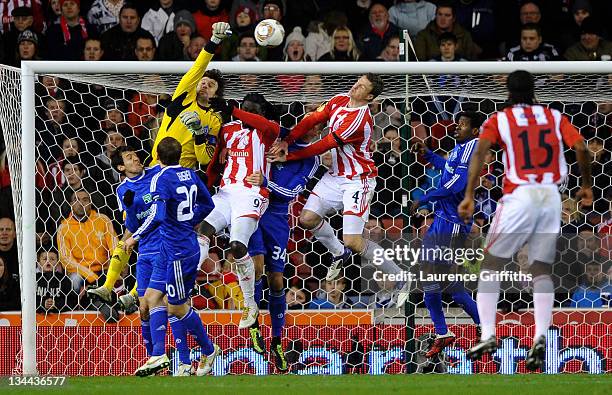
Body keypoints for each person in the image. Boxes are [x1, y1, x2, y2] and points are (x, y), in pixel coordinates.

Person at [459, 70, 593, 371]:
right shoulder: (553, 117)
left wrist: (469, 194)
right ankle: (541, 334)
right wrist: (586, 185)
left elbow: (480, 152)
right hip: (550, 197)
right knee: (541, 270)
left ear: (508, 89)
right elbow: (582, 147)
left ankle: (488, 333)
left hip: (519, 196)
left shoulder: (499, 119)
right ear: (534, 90)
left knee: (491, 265)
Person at [269, 73, 408, 304]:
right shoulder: (339, 100)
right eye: (357, 81)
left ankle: (400, 276)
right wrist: (288, 140)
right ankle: (337, 252)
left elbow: (323, 144)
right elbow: (312, 119)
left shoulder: (359, 120)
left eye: (362, 86)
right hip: (334, 177)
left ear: (370, 96)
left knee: (353, 241)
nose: (355, 86)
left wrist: (290, 155)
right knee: (307, 219)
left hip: (357, 179)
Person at [212, 98, 318, 371]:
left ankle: (278, 340)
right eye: (307, 119)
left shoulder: (311, 157)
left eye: (316, 123)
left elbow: (294, 193)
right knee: (255, 265)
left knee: (277, 280)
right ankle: (254, 322)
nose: (310, 125)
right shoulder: (276, 135)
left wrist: (267, 182)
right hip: (252, 205)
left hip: (277, 217)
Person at [125, 137, 219, 377]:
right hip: (170, 247)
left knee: (176, 308)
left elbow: (157, 216)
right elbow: (208, 204)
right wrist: (189, 220)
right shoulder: (190, 174)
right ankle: (158, 355)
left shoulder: (160, 179)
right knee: (151, 297)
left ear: (157, 155)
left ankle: (209, 350)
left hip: (179, 251)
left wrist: (134, 236)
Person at [197, 93, 282, 330]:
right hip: (226, 192)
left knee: (237, 247)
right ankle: (187, 276)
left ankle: (249, 303)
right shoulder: (228, 129)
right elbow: (215, 161)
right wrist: (206, 187)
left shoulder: (268, 130)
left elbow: (263, 124)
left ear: (261, 113)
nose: (246, 115)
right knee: (202, 230)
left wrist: (233, 109)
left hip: (252, 195)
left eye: (251, 111)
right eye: (244, 109)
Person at [410, 111, 483, 358]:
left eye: (462, 125)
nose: (456, 128)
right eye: (457, 124)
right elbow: (449, 170)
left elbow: (459, 183)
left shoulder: (473, 148)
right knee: (447, 284)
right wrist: (429, 155)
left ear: (474, 131)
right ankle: (450, 332)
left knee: (438, 279)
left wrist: (426, 198)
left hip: (452, 222)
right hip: (441, 219)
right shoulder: (460, 148)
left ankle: (460, 330)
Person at [87, 146, 161, 359]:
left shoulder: (156, 172)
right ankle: (108, 287)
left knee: (161, 301)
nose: (136, 159)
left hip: (162, 231)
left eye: (136, 155)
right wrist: (129, 213)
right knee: (124, 243)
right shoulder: (122, 189)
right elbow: (131, 221)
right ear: (121, 167)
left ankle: (131, 293)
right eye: (129, 158)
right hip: (144, 234)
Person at [149, 21, 231, 169]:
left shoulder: (214, 120)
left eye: (211, 85)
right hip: (157, 168)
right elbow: (198, 68)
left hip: (184, 173)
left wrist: (199, 133)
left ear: (216, 96)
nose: (205, 85)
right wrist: (214, 41)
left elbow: (204, 159)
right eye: (203, 82)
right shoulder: (184, 97)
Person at [57, 189, 118, 295]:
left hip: (104, 269)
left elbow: (115, 247)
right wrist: (91, 276)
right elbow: (65, 259)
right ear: (71, 204)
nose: (81, 203)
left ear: (90, 202)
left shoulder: (103, 220)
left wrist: (114, 267)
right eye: (77, 200)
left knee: (117, 274)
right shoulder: (64, 227)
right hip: (80, 272)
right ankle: (74, 308)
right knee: (74, 280)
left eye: (85, 200)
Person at [414, 2, 480, 60]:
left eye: (447, 15)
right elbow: (420, 62)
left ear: (453, 19)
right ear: (435, 16)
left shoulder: (464, 35)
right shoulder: (423, 36)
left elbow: (471, 62)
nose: (442, 19)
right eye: (439, 14)